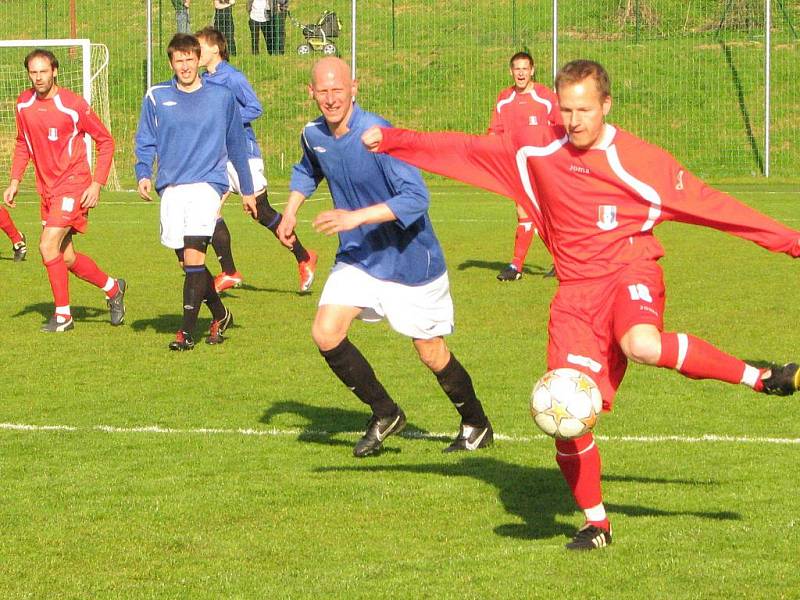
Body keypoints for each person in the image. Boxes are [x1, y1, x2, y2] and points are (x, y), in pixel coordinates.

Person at [363, 59, 800, 549]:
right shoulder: (534, 150)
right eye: (566, 109)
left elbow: (714, 206)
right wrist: (396, 140)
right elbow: (465, 150)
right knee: (565, 413)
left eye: (585, 109)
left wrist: (792, 242)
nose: (574, 121)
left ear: (606, 106)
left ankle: (760, 378)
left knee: (643, 344)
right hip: (574, 296)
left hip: (628, 272)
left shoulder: (641, 163)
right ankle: (596, 524)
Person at [277, 57, 493, 457]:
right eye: (322, 91)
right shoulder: (313, 134)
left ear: (354, 88)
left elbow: (416, 198)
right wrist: (291, 210)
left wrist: (353, 217)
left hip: (409, 258)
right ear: (311, 93)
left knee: (430, 350)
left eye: (337, 89)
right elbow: (309, 168)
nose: (330, 98)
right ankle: (385, 412)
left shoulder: (378, 136)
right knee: (326, 332)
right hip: (360, 256)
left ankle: (476, 423)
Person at [134, 33, 256, 350]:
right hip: (172, 185)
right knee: (188, 263)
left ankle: (186, 332)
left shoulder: (221, 96)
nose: (185, 65)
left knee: (193, 255)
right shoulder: (157, 96)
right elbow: (145, 139)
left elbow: (237, 146)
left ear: (198, 59)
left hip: (208, 184)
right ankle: (220, 313)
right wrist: (143, 172)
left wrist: (247, 189)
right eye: (179, 59)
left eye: (190, 58)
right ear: (171, 62)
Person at [3, 49, 125, 333]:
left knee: (46, 245)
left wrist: (97, 184)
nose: (38, 77)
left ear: (55, 71)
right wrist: (15, 180)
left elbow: (105, 141)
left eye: (43, 71)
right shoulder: (23, 104)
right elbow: (23, 143)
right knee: (65, 256)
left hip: (74, 183)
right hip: (47, 189)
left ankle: (63, 316)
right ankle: (113, 287)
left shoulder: (72, 104)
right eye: (33, 72)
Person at [196, 26, 317, 293]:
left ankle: (304, 256)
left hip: (242, 154)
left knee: (261, 211)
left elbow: (255, 107)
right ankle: (229, 272)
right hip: (218, 157)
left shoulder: (233, 77)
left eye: (200, 46)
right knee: (208, 212)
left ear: (215, 48)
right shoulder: (204, 79)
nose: (196, 52)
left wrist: (227, 121)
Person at [489, 51, 559, 282]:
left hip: (542, 165)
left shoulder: (546, 97)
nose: (521, 73)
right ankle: (563, 261)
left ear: (532, 70)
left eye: (524, 68)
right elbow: (495, 132)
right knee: (531, 213)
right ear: (511, 71)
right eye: (517, 69)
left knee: (528, 212)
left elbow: (560, 128)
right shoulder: (504, 98)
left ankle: (517, 266)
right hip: (516, 165)